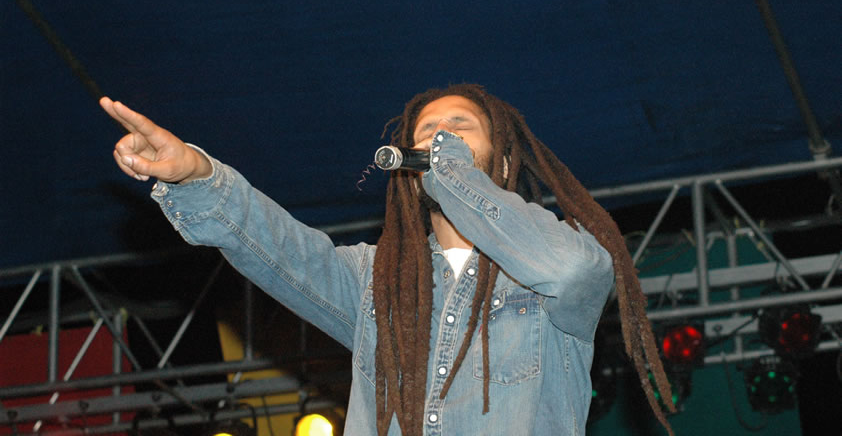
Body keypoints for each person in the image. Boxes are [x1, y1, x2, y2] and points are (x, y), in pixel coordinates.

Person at [101, 84, 674, 436]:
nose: (440, 139)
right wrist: (197, 176)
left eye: (459, 129)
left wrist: (451, 170)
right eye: (427, 134)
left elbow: (574, 273)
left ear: (502, 164)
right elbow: (279, 248)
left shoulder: (563, 254)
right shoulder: (375, 279)